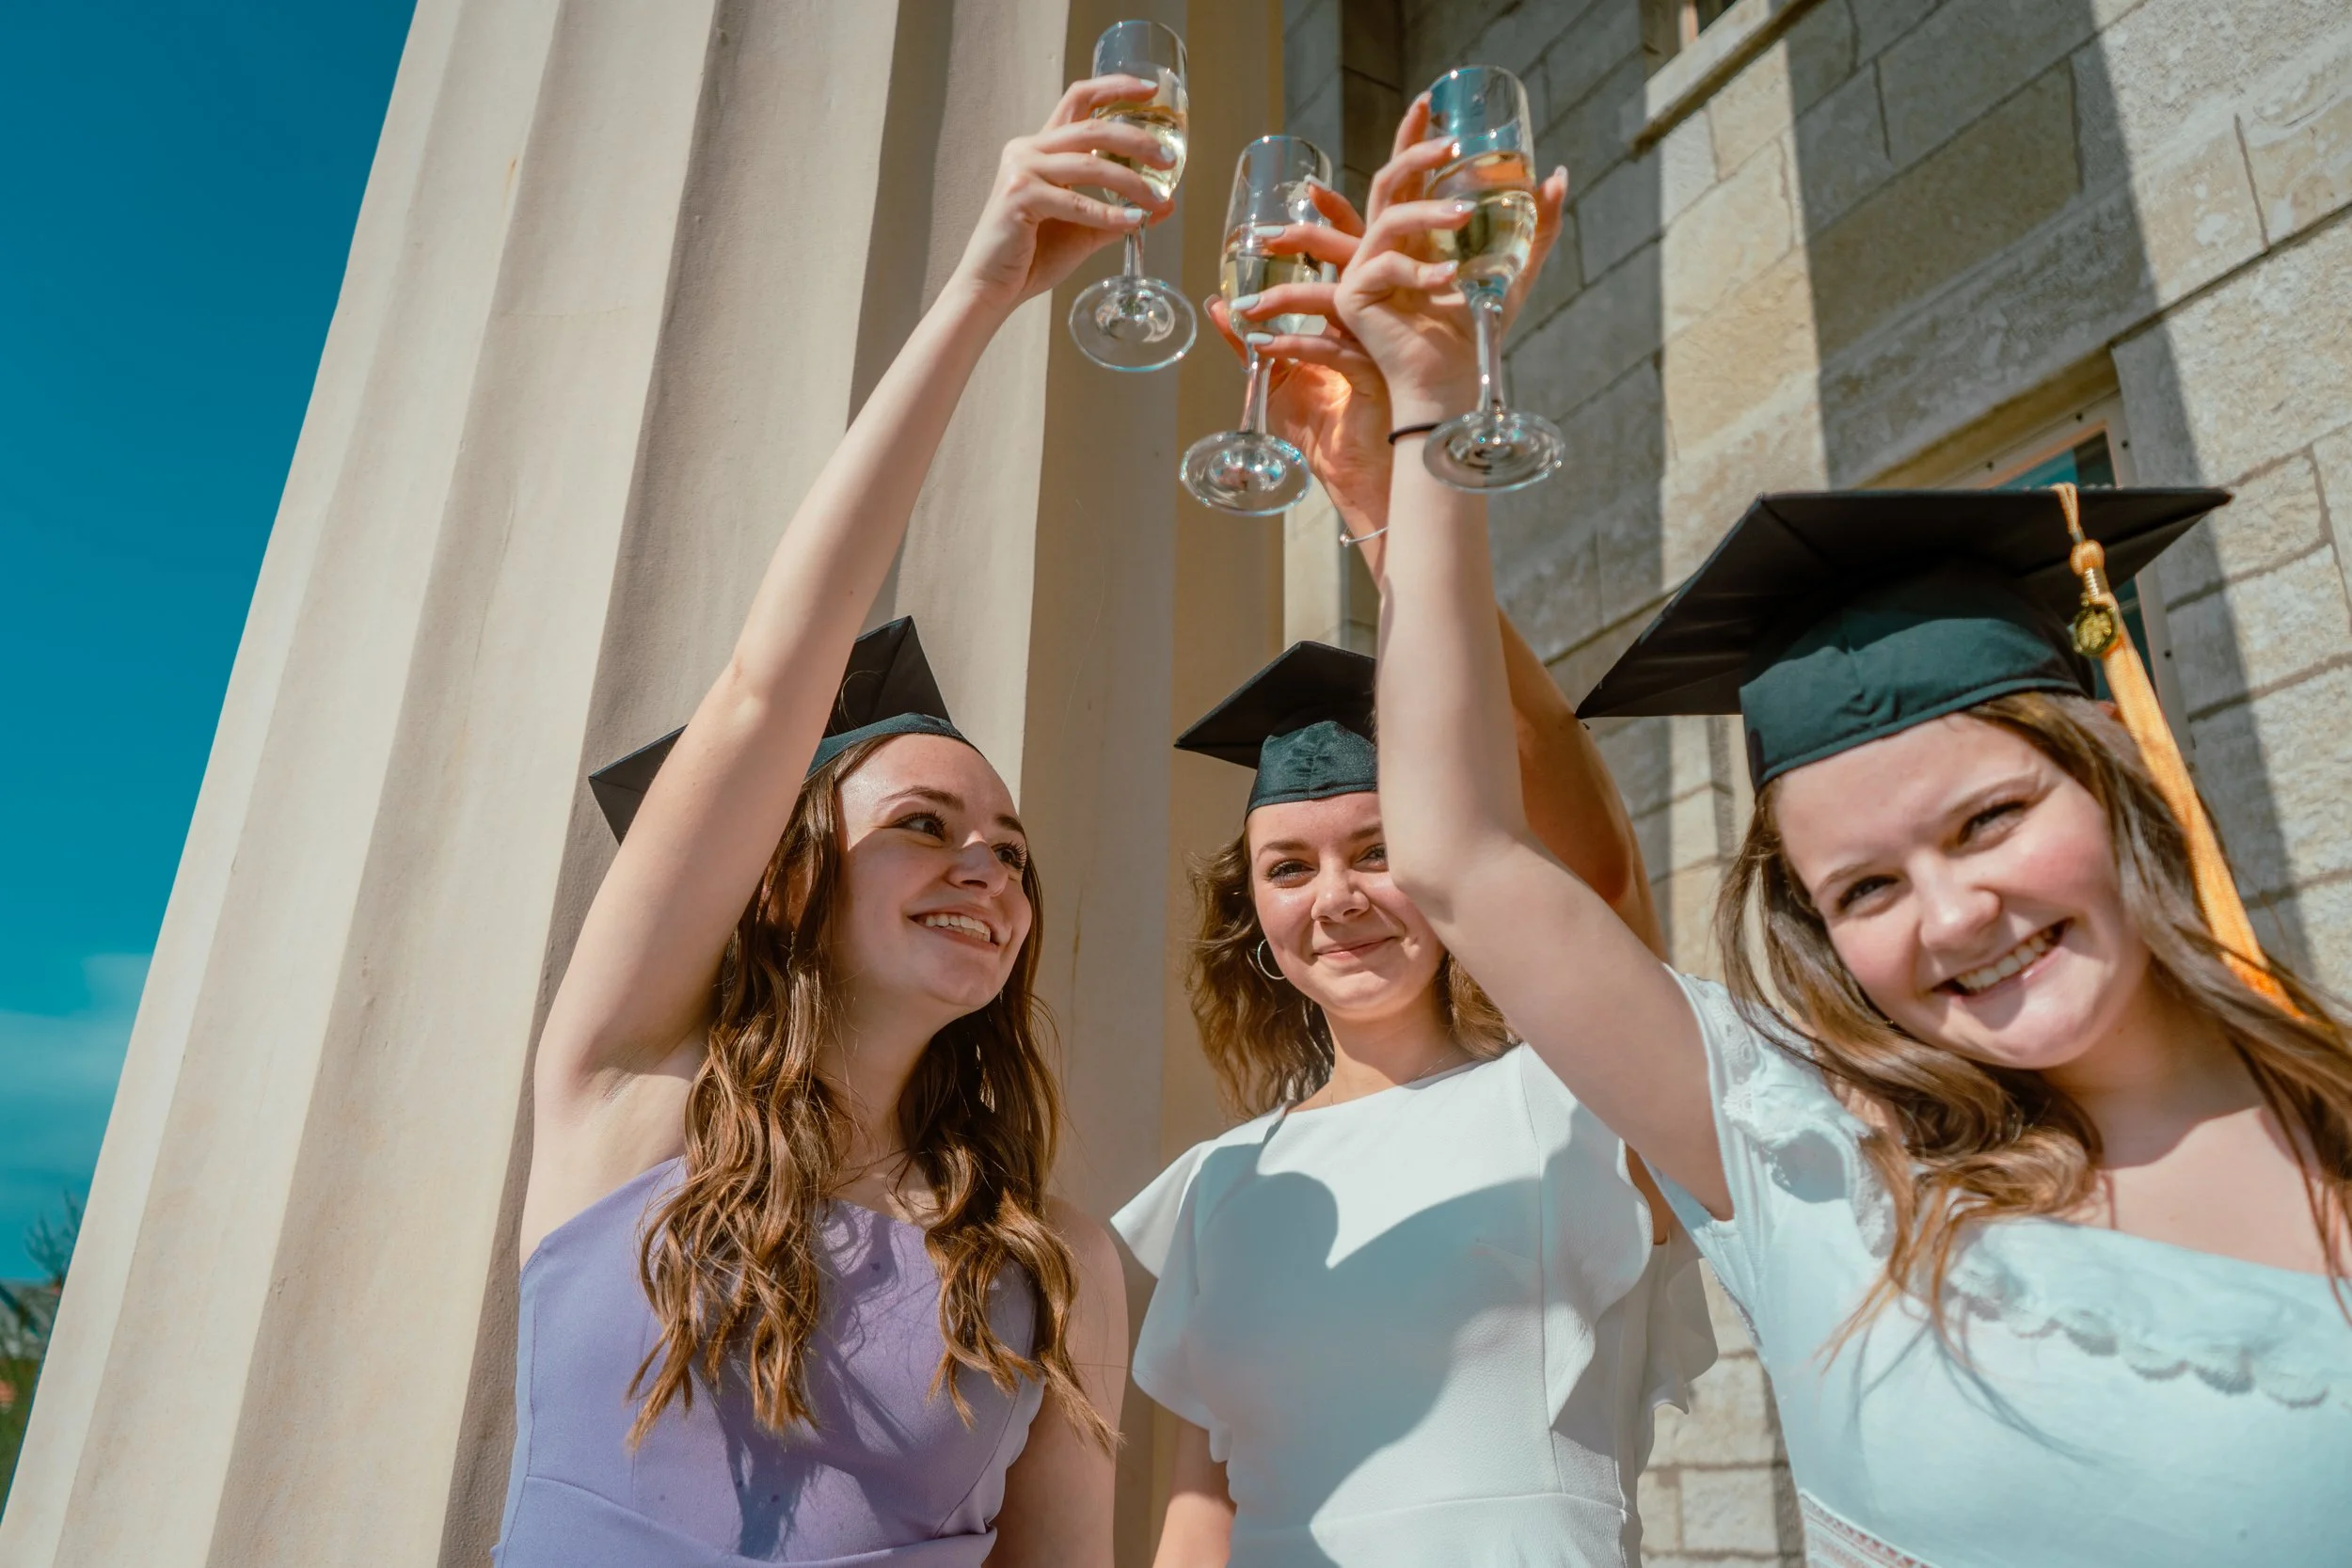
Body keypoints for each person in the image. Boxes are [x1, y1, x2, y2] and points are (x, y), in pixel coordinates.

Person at [1341, 125, 2352, 1567]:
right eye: (1866, 886)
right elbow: (1460, 857)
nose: (1952, 914)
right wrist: (1429, 409)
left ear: (2122, 784)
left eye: (1992, 818)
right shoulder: (1816, 1162)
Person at [492, 76, 1170, 1568]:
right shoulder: (624, 1101)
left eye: (1011, 849)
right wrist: (985, 289)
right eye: (926, 823)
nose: (987, 865)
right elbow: (760, 695)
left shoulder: (1057, 1257)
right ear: (792, 879)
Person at [1112, 103, 1714, 1568]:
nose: (1338, 898)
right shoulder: (1213, 1188)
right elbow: (1203, 1504)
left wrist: (1382, 496)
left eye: (1377, 848)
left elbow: (1587, 867)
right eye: (1289, 866)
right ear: (1249, 909)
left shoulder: (1569, 1103)